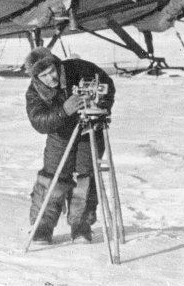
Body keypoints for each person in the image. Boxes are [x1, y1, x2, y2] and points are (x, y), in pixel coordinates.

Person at [24, 47, 116, 244]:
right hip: (59, 136)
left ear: (56, 65)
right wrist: (63, 111)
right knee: (52, 178)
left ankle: (81, 225)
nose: (50, 78)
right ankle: (42, 226)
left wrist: (101, 107)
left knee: (85, 176)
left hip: (89, 129)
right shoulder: (34, 92)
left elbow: (106, 84)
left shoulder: (79, 68)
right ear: (37, 78)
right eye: (44, 76)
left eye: (52, 71)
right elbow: (38, 121)